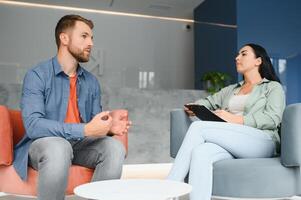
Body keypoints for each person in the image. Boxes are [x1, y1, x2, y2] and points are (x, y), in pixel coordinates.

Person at [13, 14, 131, 200]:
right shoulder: (37, 75)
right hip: (44, 144)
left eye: (91, 37)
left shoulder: (91, 82)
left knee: (114, 148)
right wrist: (84, 129)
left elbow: (94, 125)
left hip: (79, 145)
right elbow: (34, 126)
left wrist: (108, 129)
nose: (90, 42)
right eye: (84, 36)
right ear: (64, 38)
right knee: (59, 147)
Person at [167, 43, 286, 200]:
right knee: (201, 153)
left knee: (198, 127)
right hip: (233, 142)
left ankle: (168, 190)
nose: (237, 58)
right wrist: (195, 107)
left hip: (262, 141)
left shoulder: (272, 87)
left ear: (258, 61)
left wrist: (233, 119)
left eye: (243, 54)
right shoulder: (231, 90)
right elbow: (207, 102)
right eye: (237, 54)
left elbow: (272, 118)